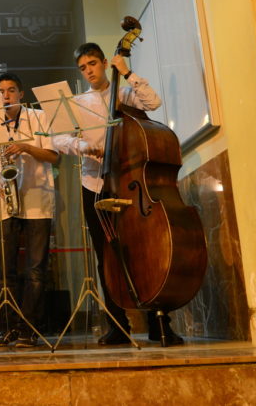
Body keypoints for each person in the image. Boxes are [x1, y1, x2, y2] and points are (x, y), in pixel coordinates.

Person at [51, 42, 184, 346]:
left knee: (145, 251)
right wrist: (84, 147)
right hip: (94, 186)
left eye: (93, 64)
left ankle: (158, 323)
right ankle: (117, 325)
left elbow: (154, 103)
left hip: (130, 183)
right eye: (83, 67)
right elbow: (58, 139)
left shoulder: (124, 94)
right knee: (105, 257)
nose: (89, 71)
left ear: (103, 63)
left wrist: (128, 72)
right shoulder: (76, 102)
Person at [0, 72, 59, 348]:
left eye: (11, 90)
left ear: (21, 94)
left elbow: (53, 155)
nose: (6, 96)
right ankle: (10, 327)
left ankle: (29, 328)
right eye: (1, 91)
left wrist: (25, 147)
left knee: (36, 270)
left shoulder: (39, 118)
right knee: (6, 272)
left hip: (38, 198)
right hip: (7, 202)